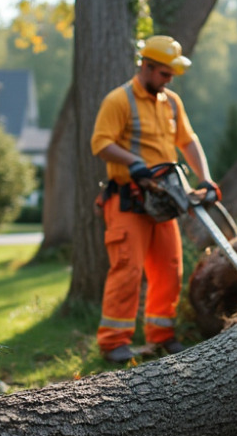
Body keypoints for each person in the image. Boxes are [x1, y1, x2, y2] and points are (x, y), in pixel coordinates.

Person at [90, 36, 218, 364]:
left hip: (164, 201)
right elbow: (100, 142)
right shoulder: (119, 100)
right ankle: (113, 342)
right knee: (127, 269)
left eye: (171, 75)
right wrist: (132, 162)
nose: (168, 80)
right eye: (163, 73)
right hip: (129, 200)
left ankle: (161, 335)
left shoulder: (171, 102)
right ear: (145, 67)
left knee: (169, 268)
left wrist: (204, 179)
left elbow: (188, 141)